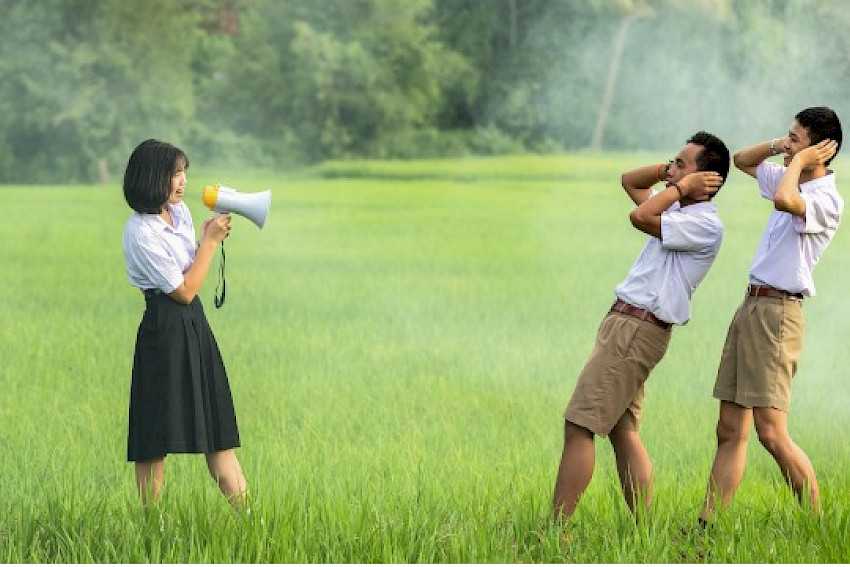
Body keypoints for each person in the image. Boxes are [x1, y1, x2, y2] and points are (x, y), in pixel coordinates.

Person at [552, 132, 730, 523]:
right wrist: (673, 174)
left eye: (682, 163)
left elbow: (639, 216)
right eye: (672, 162)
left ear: (705, 180)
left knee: (580, 424)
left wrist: (681, 186)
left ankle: (555, 530)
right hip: (629, 325)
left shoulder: (703, 224)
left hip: (636, 328)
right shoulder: (678, 212)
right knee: (622, 430)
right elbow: (630, 181)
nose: (671, 169)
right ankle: (644, 530)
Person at [699, 107, 842, 525]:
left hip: (779, 314)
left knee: (771, 433)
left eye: (796, 138)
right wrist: (784, 147)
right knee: (729, 429)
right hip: (752, 307)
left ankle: (817, 524)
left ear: (819, 151)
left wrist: (798, 161)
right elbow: (743, 160)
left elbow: (784, 200)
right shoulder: (789, 174)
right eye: (788, 137)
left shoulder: (826, 199)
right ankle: (707, 526)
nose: (786, 145)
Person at [122, 138, 247, 509]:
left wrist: (207, 239)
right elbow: (185, 290)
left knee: (218, 431)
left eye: (183, 173)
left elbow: (192, 270)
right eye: (174, 174)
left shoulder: (180, 215)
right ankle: (151, 527)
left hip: (194, 327)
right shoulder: (140, 233)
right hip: (163, 329)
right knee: (153, 437)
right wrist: (209, 244)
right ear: (150, 178)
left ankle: (252, 522)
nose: (183, 182)